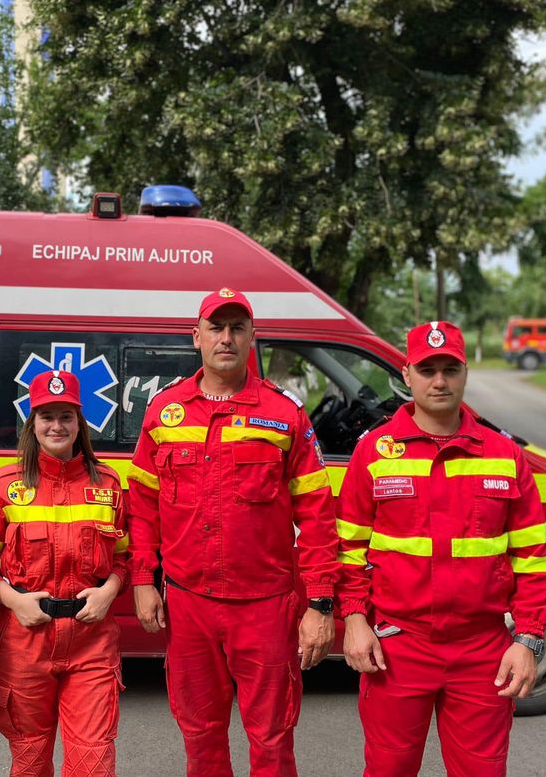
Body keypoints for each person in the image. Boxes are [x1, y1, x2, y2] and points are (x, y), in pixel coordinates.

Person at [126, 287, 338, 777]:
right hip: (189, 605)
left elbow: (318, 517)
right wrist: (142, 579)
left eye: (237, 328)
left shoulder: (284, 414)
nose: (226, 338)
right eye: (216, 328)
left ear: (251, 337)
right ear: (196, 336)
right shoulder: (164, 411)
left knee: (272, 738)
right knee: (200, 736)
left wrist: (321, 604)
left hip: (266, 607)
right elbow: (142, 507)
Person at [336, 320, 546, 777]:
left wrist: (528, 639)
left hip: (482, 651)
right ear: (406, 375)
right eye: (427, 369)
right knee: (389, 769)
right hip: (399, 647)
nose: (439, 381)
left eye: (450, 369)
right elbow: (348, 549)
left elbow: (534, 556)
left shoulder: (504, 455)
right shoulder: (374, 452)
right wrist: (354, 620)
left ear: (465, 373)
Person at [0, 369, 128, 777]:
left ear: (80, 423)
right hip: (24, 642)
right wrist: (13, 600)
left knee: (93, 765)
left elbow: (124, 558)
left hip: (91, 643)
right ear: (33, 423)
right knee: (29, 763)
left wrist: (109, 591)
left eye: (66, 416)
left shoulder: (108, 485)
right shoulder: (5, 486)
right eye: (47, 416)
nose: (57, 426)